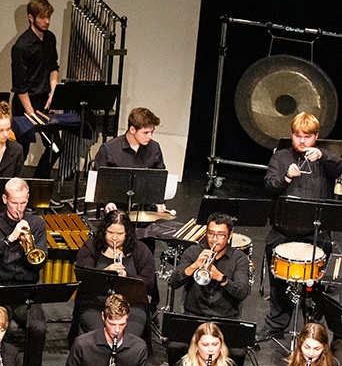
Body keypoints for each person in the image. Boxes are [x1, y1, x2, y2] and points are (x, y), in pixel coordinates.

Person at [259, 112, 342, 340]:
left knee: (316, 286)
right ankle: (276, 324)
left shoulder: (324, 159)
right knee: (278, 283)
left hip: (315, 233)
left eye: (307, 136)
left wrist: (323, 155)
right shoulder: (281, 157)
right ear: (292, 135)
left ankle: (312, 327)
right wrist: (286, 178)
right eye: (298, 136)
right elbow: (269, 184)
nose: (302, 141)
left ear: (316, 136)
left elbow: (339, 168)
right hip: (283, 231)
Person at [0, 178, 47, 366]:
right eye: (15, 202)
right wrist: (9, 239)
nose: (19, 208)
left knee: (38, 328)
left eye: (23, 202)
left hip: (26, 290)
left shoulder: (36, 224)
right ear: (5, 199)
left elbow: (40, 261)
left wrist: (30, 250)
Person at [74, 209, 156, 337]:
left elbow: (149, 284)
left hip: (131, 305)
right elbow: (84, 278)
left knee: (128, 339)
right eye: (110, 232)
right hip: (96, 305)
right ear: (103, 231)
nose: (114, 238)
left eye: (119, 234)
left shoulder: (140, 250)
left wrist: (127, 277)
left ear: (127, 233)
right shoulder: (91, 247)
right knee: (101, 337)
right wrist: (104, 273)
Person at [11, 0, 60, 179]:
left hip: (44, 102)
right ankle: (15, 191)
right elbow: (20, 87)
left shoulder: (50, 38)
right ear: (31, 17)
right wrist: (31, 114)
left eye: (48, 17)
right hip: (24, 106)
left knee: (56, 147)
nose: (47, 21)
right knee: (20, 152)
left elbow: (53, 68)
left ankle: (38, 187)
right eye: (42, 18)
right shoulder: (21, 47)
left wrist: (53, 93)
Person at [169, 213, 251, 320]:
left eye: (221, 235)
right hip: (193, 315)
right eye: (211, 233)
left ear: (230, 235)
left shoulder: (239, 258)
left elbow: (242, 293)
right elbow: (173, 283)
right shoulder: (193, 252)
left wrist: (221, 278)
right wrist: (194, 266)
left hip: (225, 318)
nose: (214, 239)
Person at [95, 107, 166, 214]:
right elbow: (98, 181)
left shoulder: (154, 148)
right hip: (117, 208)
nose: (150, 136)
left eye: (152, 132)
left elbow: (159, 179)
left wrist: (158, 201)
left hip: (145, 208)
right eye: (145, 132)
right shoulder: (109, 149)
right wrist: (107, 202)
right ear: (132, 130)